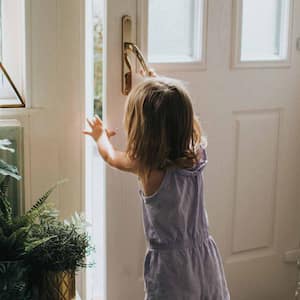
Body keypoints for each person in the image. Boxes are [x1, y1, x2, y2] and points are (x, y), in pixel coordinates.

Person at [83, 76, 230, 300]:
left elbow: (111, 156)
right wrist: (159, 83)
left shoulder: (149, 168)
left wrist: (100, 136)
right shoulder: (195, 155)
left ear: (142, 129)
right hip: (204, 258)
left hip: (171, 268)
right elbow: (175, 114)